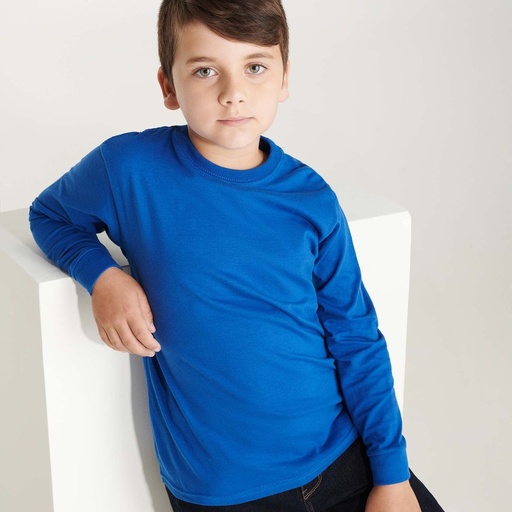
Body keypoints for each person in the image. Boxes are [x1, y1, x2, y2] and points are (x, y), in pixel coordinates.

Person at [29, 1, 444, 511]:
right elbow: (49, 215)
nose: (233, 92)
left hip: (345, 459)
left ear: (284, 78)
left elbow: (356, 337)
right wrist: (104, 276)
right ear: (168, 86)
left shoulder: (312, 198)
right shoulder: (129, 168)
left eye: (255, 67)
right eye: (205, 70)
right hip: (226, 492)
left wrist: (392, 477)